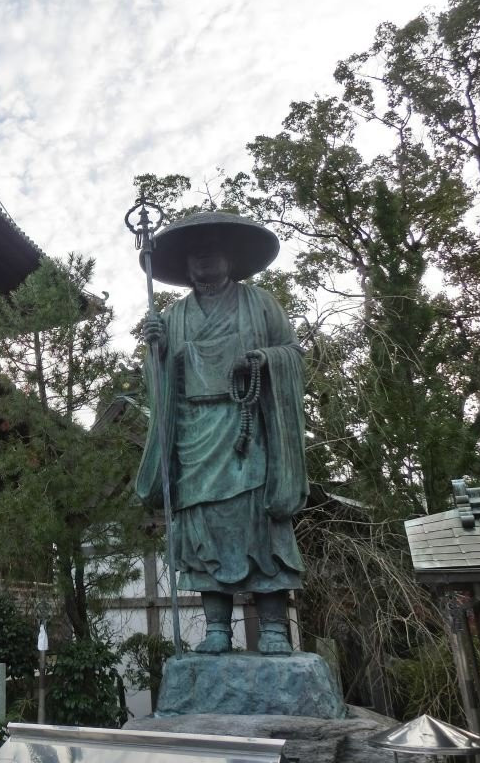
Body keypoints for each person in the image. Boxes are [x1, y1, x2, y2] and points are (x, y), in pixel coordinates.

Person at [136, 211, 307, 656]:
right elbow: (158, 385)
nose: (203, 260)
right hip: (195, 431)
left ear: (230, 259)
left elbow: (292, 354)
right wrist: (154, 351)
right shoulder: (172, 315)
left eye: (212, 251)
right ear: (187, 265)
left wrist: (261, 360)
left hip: (246, 426)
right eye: (195, 254)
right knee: (202, 528)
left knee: (260, 527)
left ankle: (272, 627)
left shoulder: (261, 303)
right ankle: (216, 628)